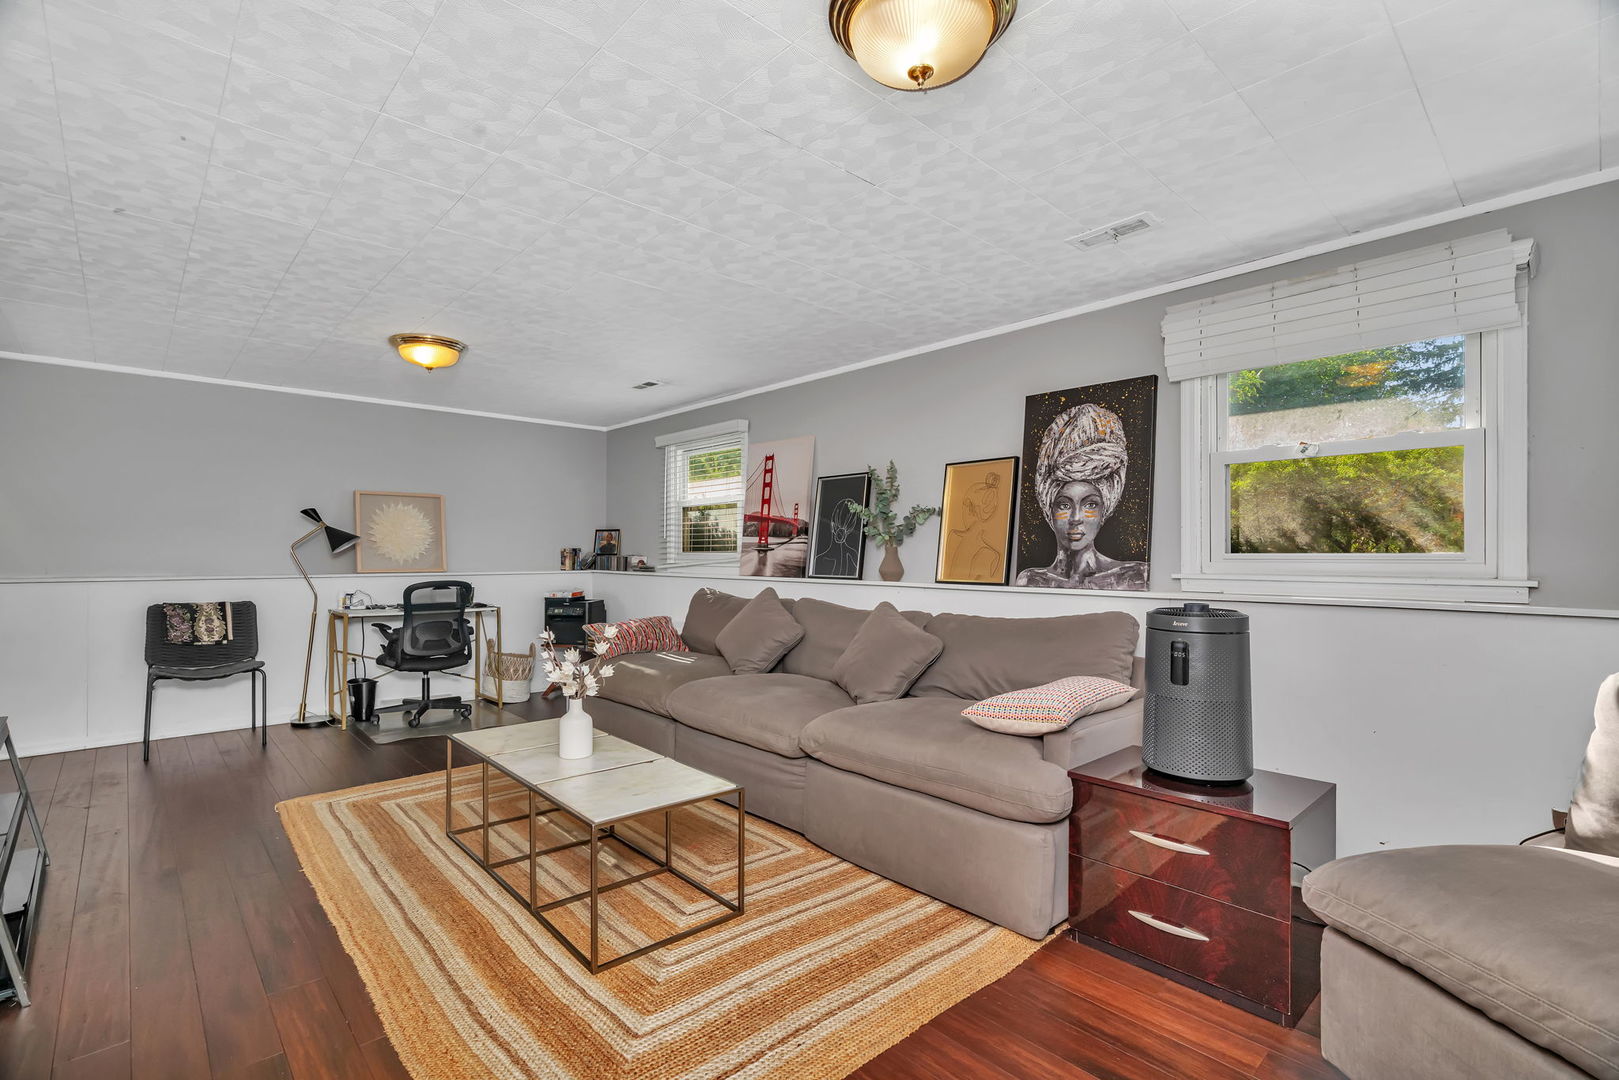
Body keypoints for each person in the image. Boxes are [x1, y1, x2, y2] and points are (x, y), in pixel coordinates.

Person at [1015, 402, 1148, 590]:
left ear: (1106, 508)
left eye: (1090, 505)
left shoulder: (1134, 577)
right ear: (1048, 508)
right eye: (1064, 505)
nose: (1075, 519)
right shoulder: (1030, 581)